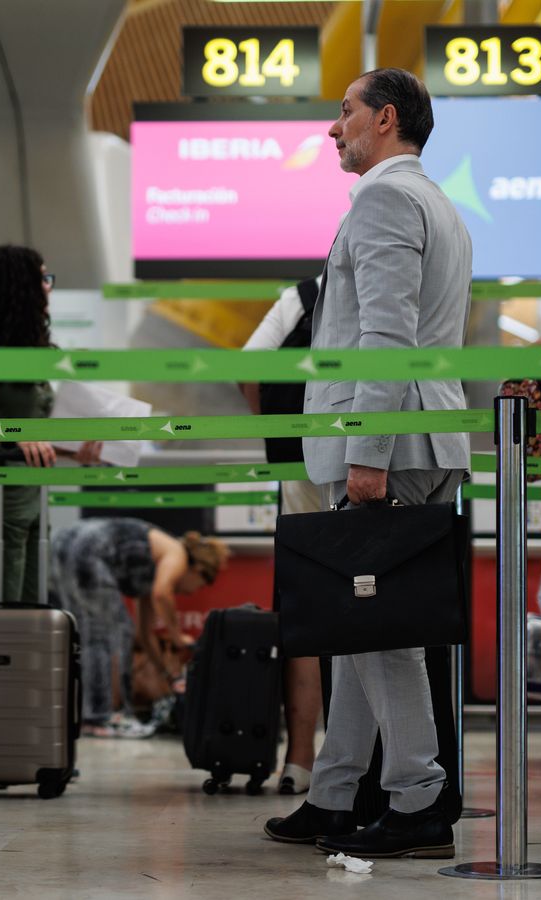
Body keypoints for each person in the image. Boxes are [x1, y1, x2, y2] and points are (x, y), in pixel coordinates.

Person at [263, 67, 469, 860]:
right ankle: (336, 790)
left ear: (385, 120)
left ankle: (418, 799)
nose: (332, 127)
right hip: (419, 434)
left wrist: (368, 454)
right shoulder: (437, 202)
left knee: (386, 633)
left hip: (393, 441)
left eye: (344, 112)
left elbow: (389, 334)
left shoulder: (386, 199)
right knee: (361, 618)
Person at [0, 245, 99, 607]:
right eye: (42, 278)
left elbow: (35, 433)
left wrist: (76, 447)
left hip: (35, 495)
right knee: (0, 599)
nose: (48, 287)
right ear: (20, 285)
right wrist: (11, 433)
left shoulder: (35, 350)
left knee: (31, 601)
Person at [240, 274, 325, 794]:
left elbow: (250, 362)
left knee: (307, 609)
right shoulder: (401, 280)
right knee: (373, 608)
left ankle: (300, 759)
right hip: (379, 461)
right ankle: (365, 759)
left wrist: (274, 429)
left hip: (301, 463)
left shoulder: (305, 294)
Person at [49, 518, 226, 737]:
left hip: (61, 544)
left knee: (78, 634)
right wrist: (178, 637)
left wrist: (169, 675)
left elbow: (144, 635)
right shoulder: (177, 553)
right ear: (198, 570)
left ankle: (75, 711)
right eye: (197, 586)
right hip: (88, 549)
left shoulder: (151, 568)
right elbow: (163, 594)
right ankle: (101, 717)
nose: (189, 593)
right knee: (108, 633)